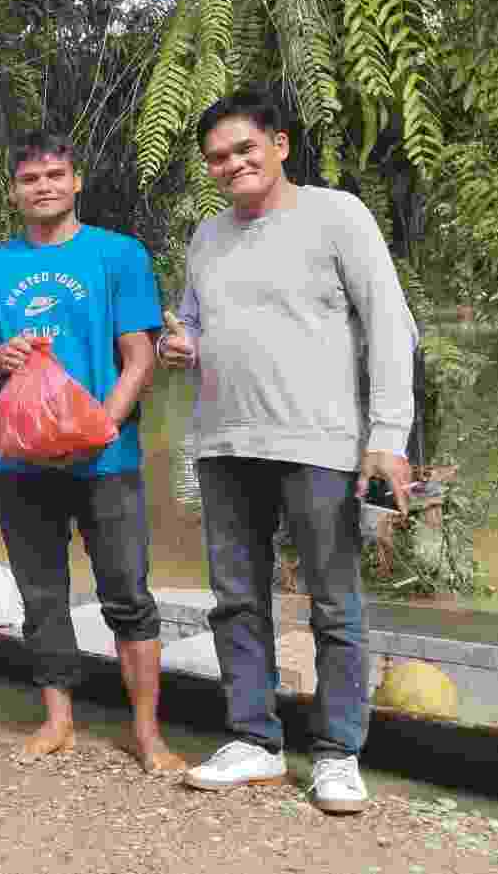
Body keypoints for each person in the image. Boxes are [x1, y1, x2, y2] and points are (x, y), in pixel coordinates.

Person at [160, 88, 417, 814]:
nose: (231, 163)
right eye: (217, 156)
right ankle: (254, 739)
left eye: (244, 148)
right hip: (224, 442)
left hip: (320, 443)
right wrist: (182, 346)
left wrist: (388, 439)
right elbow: (196, 327)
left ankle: (337, 752)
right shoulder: (207, 236)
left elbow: (391, 326)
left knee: (334, 603)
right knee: (236, 599)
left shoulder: (337, 215)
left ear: (279, 144)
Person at [0, 134, 184, 773]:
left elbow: (140, 358)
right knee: (41, 594)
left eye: (55, 175)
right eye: (30, 178)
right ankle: (58, 720)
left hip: (105, 461)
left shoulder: (118, 256)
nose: (44, 187)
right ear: (14, 190)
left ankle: (146, 731)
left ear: (76, 181)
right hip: (22, 462)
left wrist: (101, 427)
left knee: (127, 593)